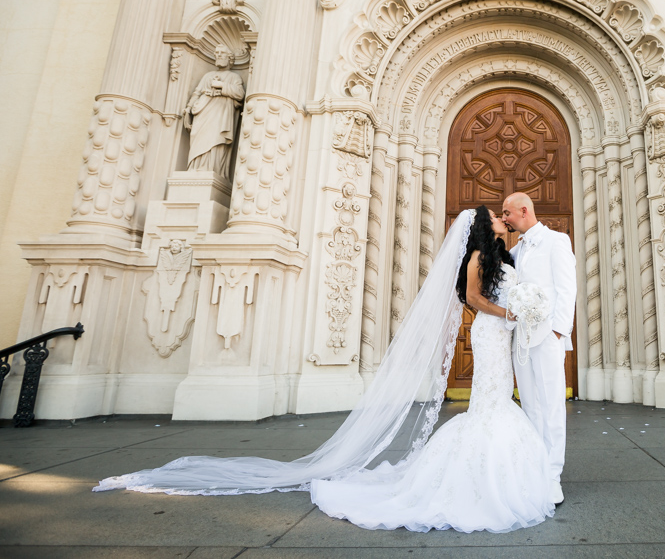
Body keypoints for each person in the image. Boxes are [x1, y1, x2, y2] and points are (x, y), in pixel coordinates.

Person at [94, 207, 554, 534]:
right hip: (493, 333)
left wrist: (522, 311)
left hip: (502, 337)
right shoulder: (476, 259)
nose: (501, 218)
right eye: (495, 215)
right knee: (488, 403)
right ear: (480, 226)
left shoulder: (503, 257)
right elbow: (473, 300)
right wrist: (509, 315)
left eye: (504, 215)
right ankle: (470, 477)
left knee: (493, 400)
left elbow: (501, 295)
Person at [501, 192, 577, 506]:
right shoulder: (515, 250)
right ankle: (535, 469)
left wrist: (559, 331)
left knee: (551, 405)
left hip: (547, 336)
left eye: (506, 213)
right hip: (522, 338)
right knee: (530, 404)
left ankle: (553, 475)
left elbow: (566, 287)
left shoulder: (557, 241)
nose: (504, 218)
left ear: (523, 210)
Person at [183, 44, 245, 178]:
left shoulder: (234, 77)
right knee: (199, 139)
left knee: (215, 139)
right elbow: (197, 93)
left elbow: (240, 94)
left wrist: (221, 85)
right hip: (203, 111)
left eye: (222, 53)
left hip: (220, 114)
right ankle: (196, 167)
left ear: (229, 58)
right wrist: (188, 109)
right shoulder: (208, 76)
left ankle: (211, 169)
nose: (219, 55)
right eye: (217, 53)